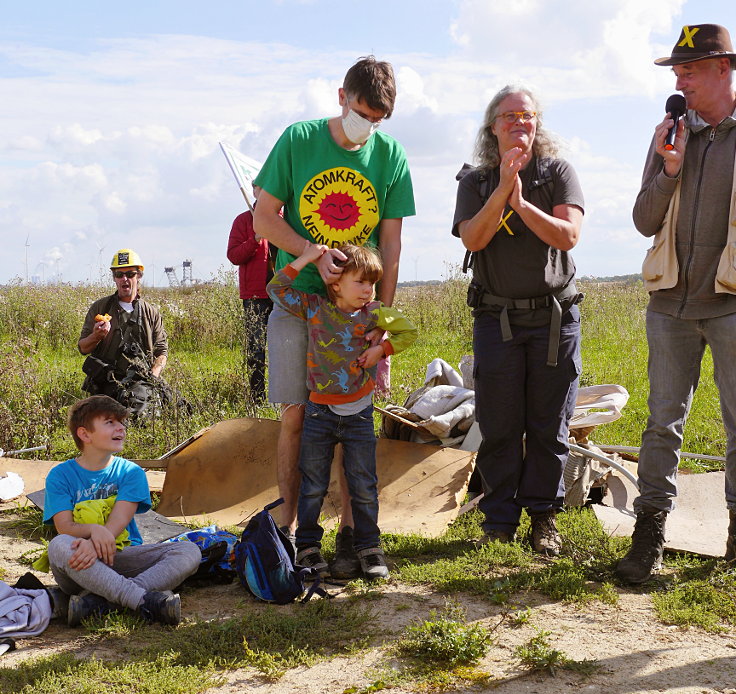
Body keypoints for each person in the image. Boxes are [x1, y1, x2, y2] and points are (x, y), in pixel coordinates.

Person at [253, 55, 415, 577]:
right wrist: (311, 251)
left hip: (356, 310)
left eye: (378, 119)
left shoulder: (390, 156)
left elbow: (390, 243)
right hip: (298, 303)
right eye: (362, 113)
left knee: (354, 419)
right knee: (298, 415)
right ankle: (292, 533)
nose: (368, 127)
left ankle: (351, 535)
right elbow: (263, 217)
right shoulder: (298, 139)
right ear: (340, 96)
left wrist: (383, 319)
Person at [616, 24, 736, 583]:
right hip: (670, 302)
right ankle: (649, 536)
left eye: (689, 70)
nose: (680, 80)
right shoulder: (668, 133)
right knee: (662, 423)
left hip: (732, 303)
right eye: (676, 72)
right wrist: (669, 168)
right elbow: (643, 220)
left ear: (722, 68)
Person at [452, 85, 584, 556]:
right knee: (500, 421)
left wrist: (524, 204)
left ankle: (544, 519)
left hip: (554, 320)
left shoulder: (557, 173)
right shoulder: (476, 182)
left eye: (526, 116)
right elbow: (473, 238)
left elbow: (568, 235)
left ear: (537, 124)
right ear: (493, 127)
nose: (519, 123)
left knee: (551, 423)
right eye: (508, 117)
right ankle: (500, 519)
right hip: (497, 319)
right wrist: (503, 189)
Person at [267, 243, 417, 579]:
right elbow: (275, 289)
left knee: (363, 483)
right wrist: (308, 257)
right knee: (313, 485)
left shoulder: (376, 312)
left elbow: (410, 330)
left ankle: (369, 548)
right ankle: (307, 547)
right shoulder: (315, 308)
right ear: (335, 283)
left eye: (372, 284)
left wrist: (381, 348)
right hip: (320, 414)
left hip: (360, 413)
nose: (368, 290)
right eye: (360, 282)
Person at [43, 395, 201, 626]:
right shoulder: (60, 475)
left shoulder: (131, 472)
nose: (121, 428)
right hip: (81, 564)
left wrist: (99, 537)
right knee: (58, 545)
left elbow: (119, 520)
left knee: (189, 551)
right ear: (85, 434)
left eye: (121, 422)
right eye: (110, 422)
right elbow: (64, 526)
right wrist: (94, 531)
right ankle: (145, 601)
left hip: (122, 558)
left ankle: (101, 604)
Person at [79, 249, 169, 418]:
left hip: (140, 381)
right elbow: (83, 347)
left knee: (139, 416)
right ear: (114, 277)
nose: (124, 279)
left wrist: (152, 377)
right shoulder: (100, 308)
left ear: (139, 276)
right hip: (106, 381)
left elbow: (161, 352)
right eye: (119, 274)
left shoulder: (151, 313)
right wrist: (96, 336)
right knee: (99, 418)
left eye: (130, 274)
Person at [226, 185, 274, 404]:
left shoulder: (286, 218)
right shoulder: (243, 221)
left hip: (284, 293)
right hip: (255, 296)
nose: (264, 192)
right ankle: (258, 399)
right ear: (254, 191)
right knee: (256, 349)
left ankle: (282, 398)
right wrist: (255, 238)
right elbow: (234, 255)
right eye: (260, 188)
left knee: (285, 347)